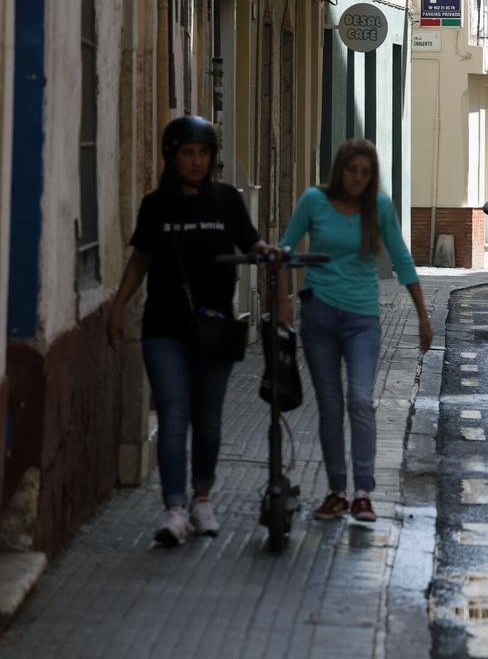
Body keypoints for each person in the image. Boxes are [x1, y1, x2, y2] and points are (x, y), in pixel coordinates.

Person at [107, 116, 271, 547]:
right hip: (163, 328)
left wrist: (265, 252)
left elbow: (250, 242)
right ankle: (175, 508)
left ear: (212, 158)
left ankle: (202, 498)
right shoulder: (155, 206)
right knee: (174, 415)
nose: (196, 161)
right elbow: (140, 260)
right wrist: (118, 308)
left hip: (213, 329)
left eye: (203, 153)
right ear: (172, 157)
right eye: (187, 153)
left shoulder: (227, 203)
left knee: (209, 422)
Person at [279, 139, 434, 522]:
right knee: (330, 406)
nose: (358, 179)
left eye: (365, 173)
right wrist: (282, 298)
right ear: (340, 170)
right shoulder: (314, 200)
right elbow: (284, 249)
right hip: (319, 317)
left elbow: (401, 257)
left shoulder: (378, 206)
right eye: (352, 171)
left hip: (362, 319)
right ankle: (336, 491)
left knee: (361, 400)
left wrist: (423, 316)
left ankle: (363, 492)